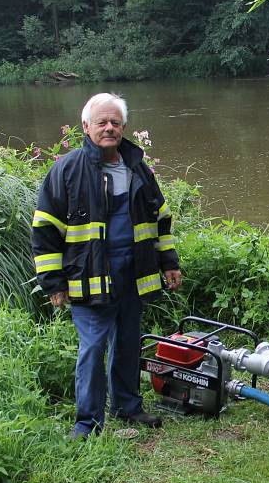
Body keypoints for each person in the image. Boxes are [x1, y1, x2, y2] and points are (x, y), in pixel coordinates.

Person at [32, 93, 182, 438]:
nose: (109, 128)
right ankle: (88, 424)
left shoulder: (138, 169)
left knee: (128, 342)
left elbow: (160, 219)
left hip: (133, 274)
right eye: (102, 122)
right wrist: (53, 282)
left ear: (124, 127)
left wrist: (169, 262)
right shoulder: (67, 169)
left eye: (115, 122)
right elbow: (44, 228)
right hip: (88, 278)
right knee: (93, 347)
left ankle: (128, 408)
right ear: (86, 127)